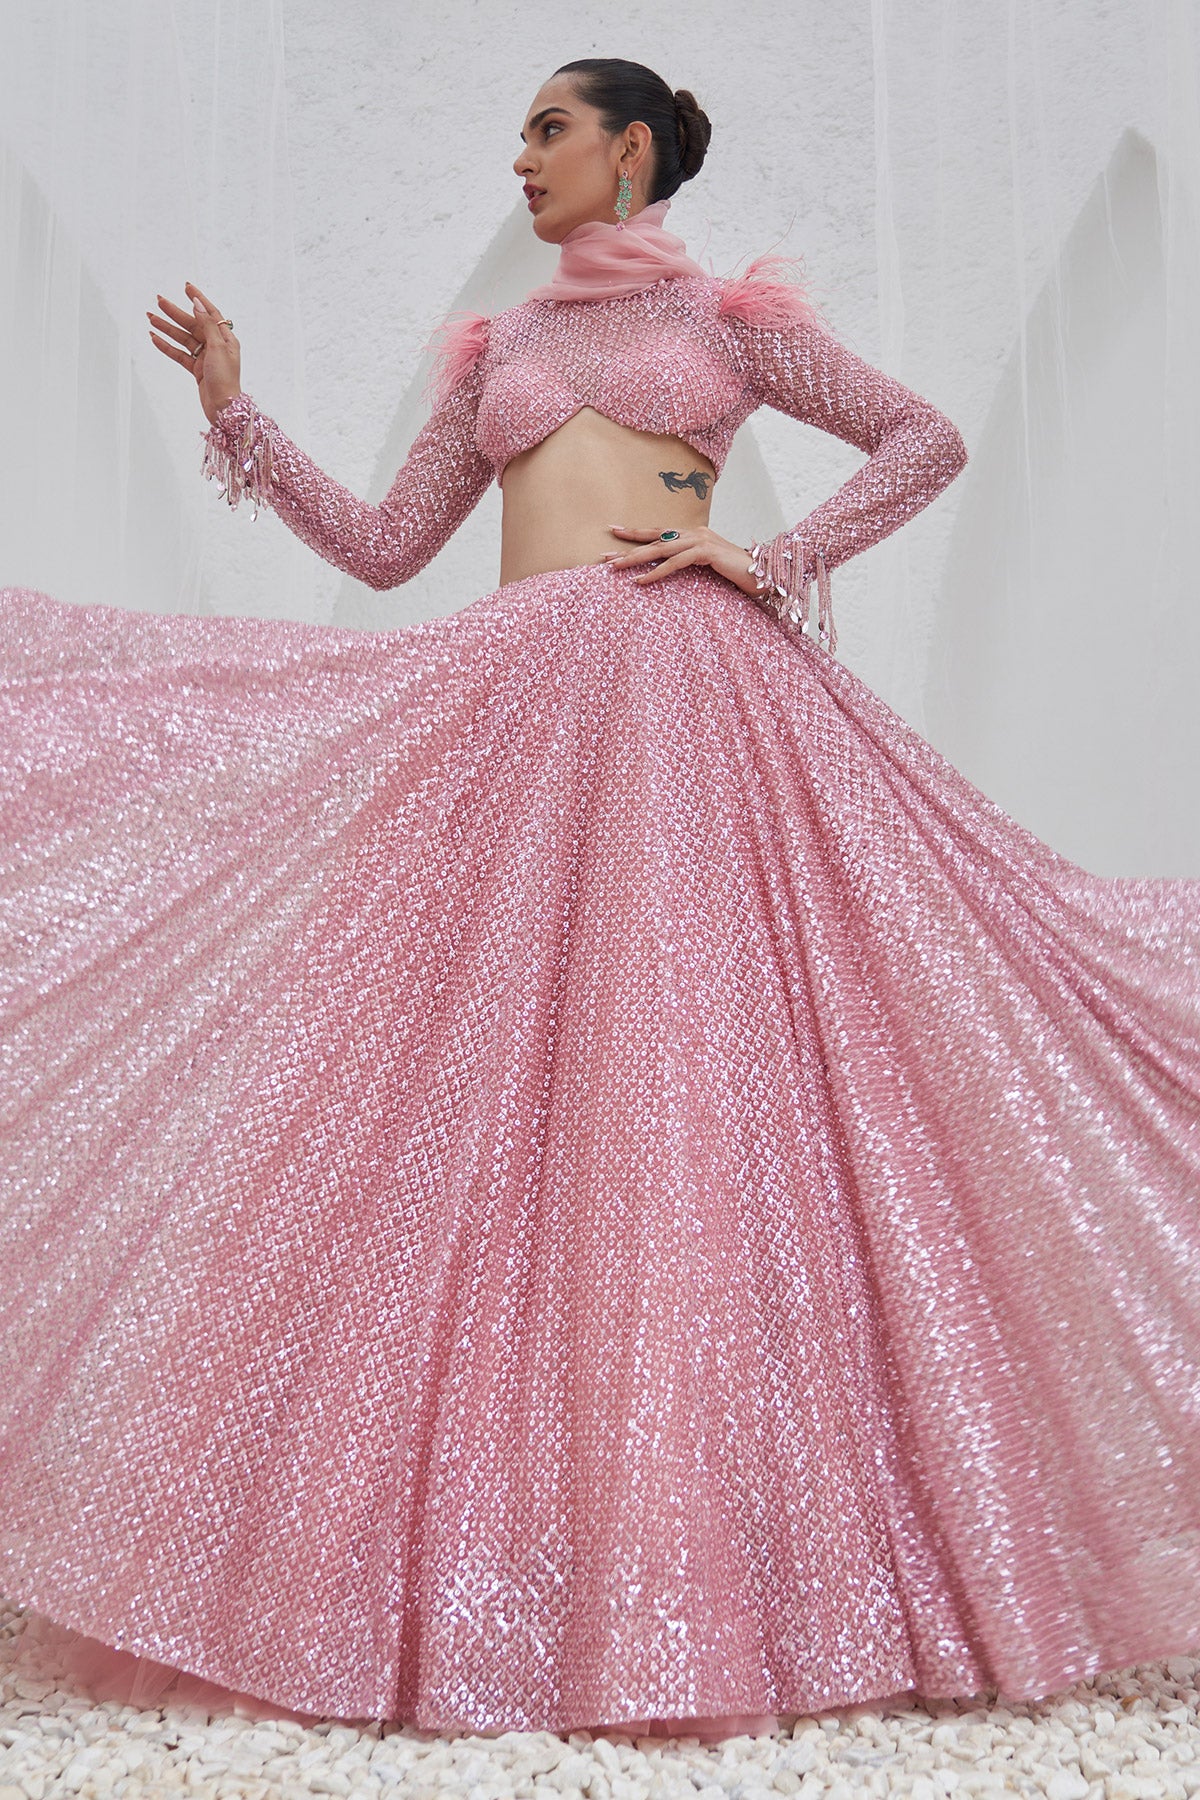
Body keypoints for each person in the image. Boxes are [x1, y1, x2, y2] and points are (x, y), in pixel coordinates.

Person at [2, 54, 1199, 1749]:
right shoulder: (497, 346)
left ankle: (733, 1571)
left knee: (687, 1098)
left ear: (631, 150)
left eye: (550, 129)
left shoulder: (729, 320)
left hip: (693, 709)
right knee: (474, 1108)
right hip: (517, 713)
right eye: (521, 132)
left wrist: (767, 558)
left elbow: (924, 436)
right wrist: (235, 415)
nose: (522, 156)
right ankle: (481, 1569)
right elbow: (388, 547)